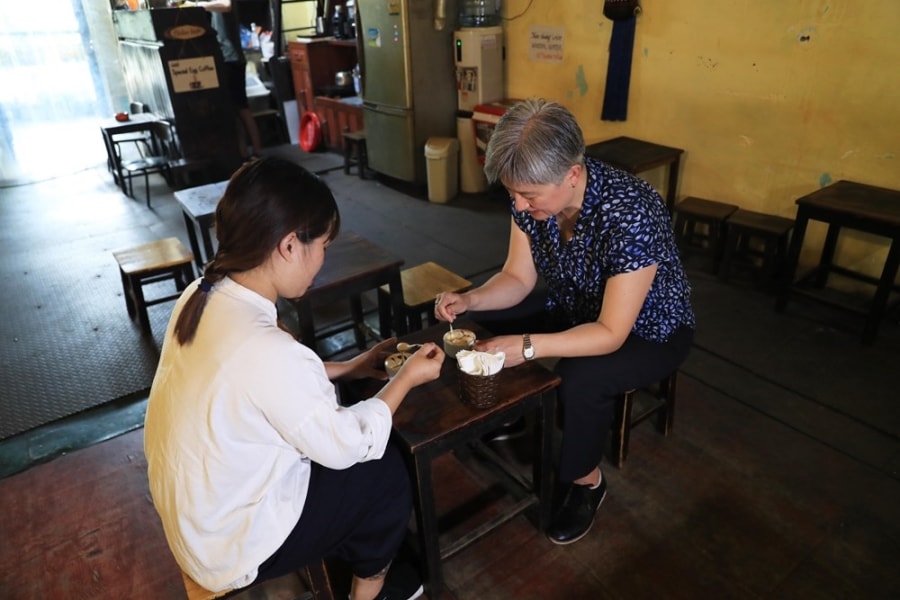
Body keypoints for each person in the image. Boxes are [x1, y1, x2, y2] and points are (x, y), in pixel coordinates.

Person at [144, 157, 443, 600]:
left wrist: (353, 366)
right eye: (322, 243)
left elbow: (260, 388)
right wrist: (406, 378)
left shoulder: (203, 294)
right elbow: (347, 444)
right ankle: (371, 590)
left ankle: (350, 544)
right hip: (229, 544)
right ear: (288, 245)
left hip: (198, 516)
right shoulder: (267, 349)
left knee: (340, 461)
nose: (323, 257)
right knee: (384, 473)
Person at [434, 98, 695, 546]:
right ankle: (511, 409)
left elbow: (612, 333)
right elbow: (517, 277)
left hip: (649, 331)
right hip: (578, 306)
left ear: (572, 174)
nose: (518, 203)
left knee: (582, 376)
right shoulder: (530, 197)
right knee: (480, 316)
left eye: (529, 196)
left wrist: (530, 345)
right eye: (512, 193)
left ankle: (585, 482)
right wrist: (470, 296)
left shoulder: (632, 211)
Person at [198, 0, 263, 160]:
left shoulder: (221, 3)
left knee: (241, 108)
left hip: (232, 58)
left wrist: (200, 5)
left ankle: (257, 151)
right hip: (228, 57)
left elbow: (227, 5)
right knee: (235, 109)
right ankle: (243, 153)